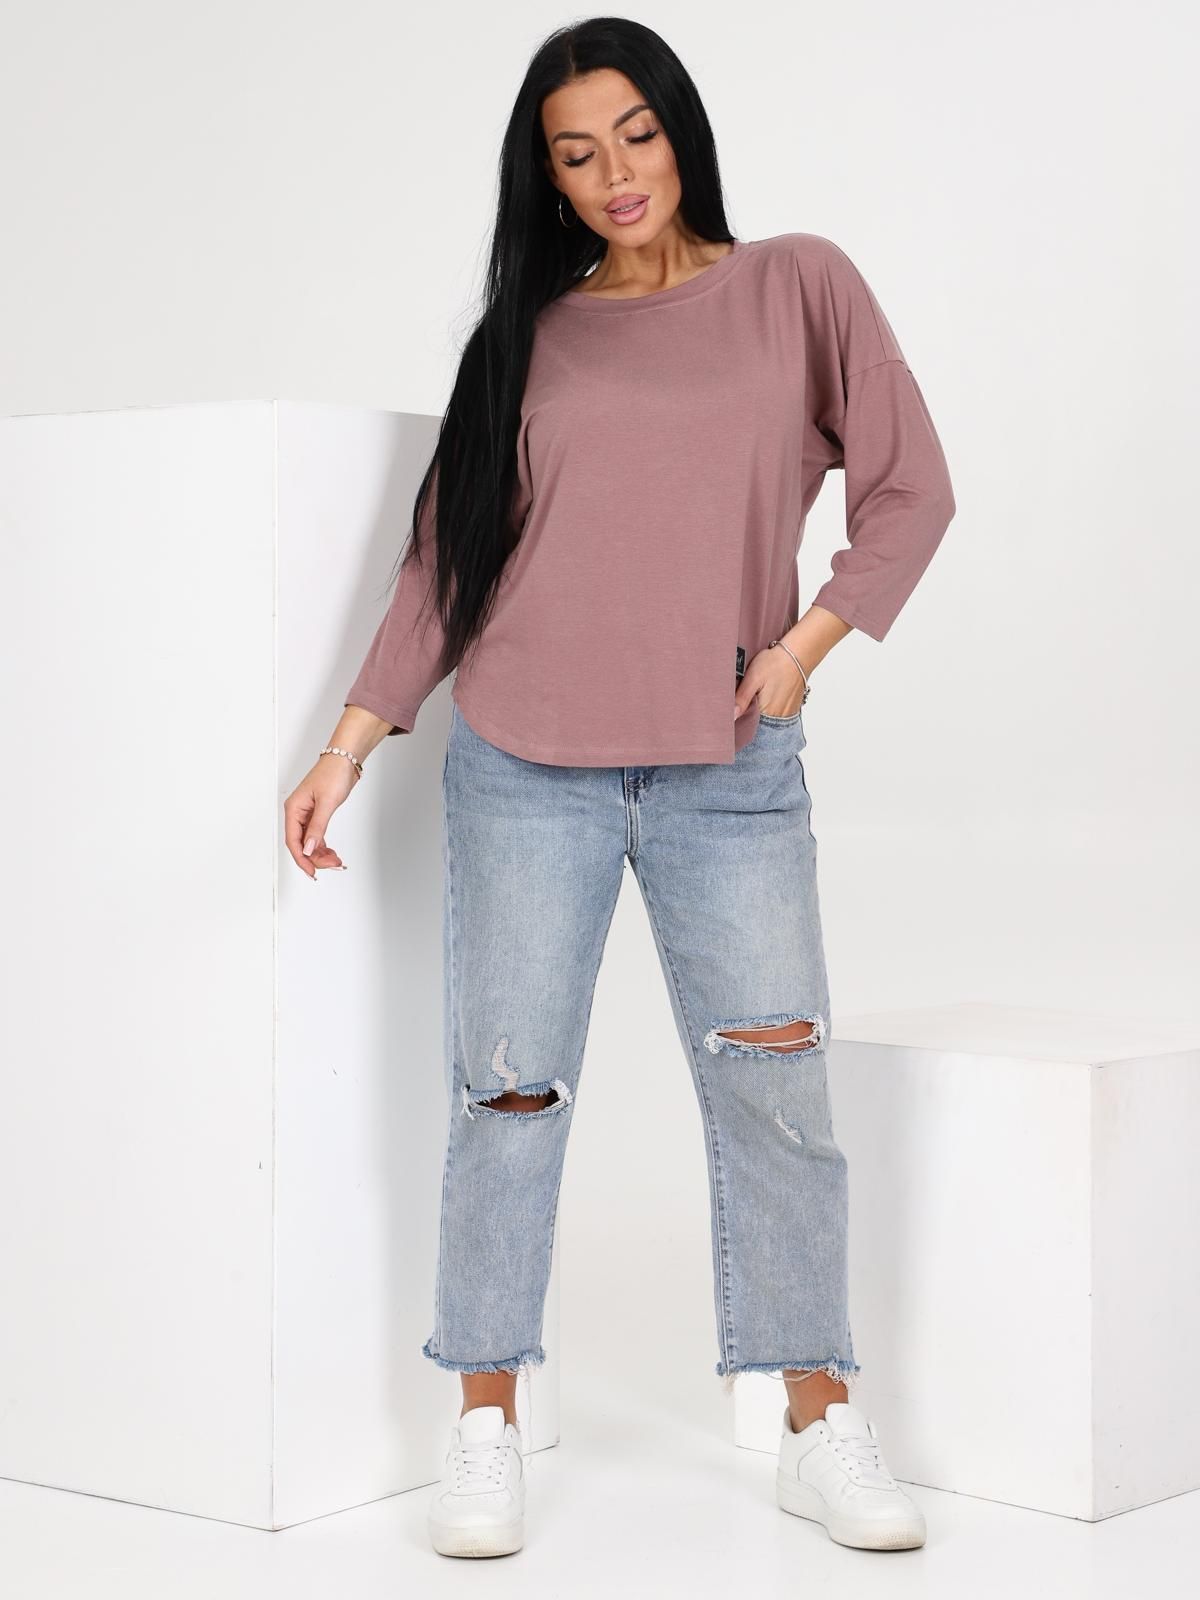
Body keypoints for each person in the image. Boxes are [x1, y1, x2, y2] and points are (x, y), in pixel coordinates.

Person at [283, 16, 955, 1561]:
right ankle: (484, 1425)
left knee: (779, 1092)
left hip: (731, 769)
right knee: (507, 1096)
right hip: (525, 767)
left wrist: (802, 651)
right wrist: (349, 741)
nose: (615, 174)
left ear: (680, 130)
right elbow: (448, 562)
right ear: (549, 178)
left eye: (635, 135)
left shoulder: (799, 286)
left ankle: (818, 1423)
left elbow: (912, 487)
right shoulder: (524, 339)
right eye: (577, 154)